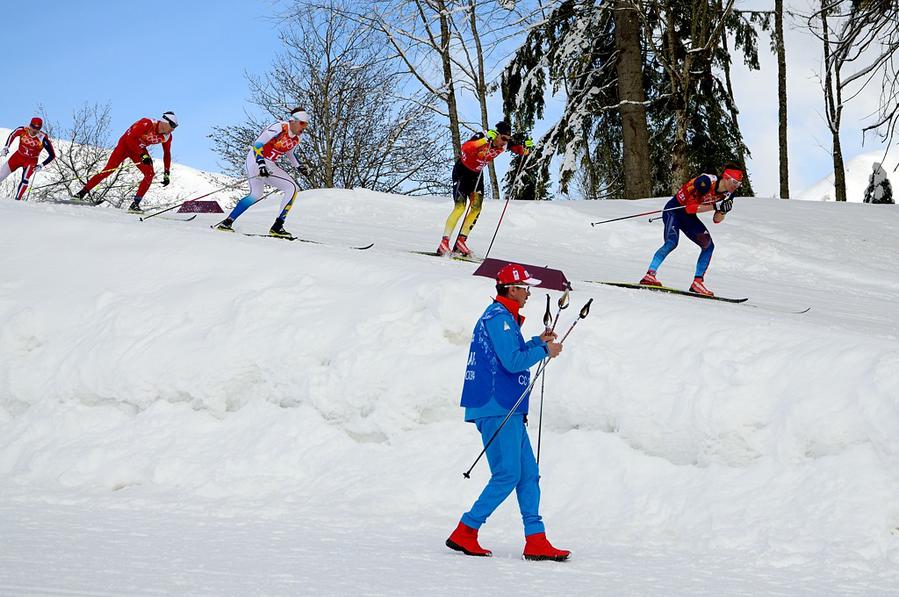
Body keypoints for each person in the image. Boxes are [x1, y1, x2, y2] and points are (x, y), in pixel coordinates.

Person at [446, 263, 570, 562]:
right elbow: (513, 362)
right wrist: (544, 351)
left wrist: (536, 342)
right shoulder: (499, 318)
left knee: (528, 474)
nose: (528, 294)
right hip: (496, 404)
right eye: (525, 288)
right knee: (508, 473)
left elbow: (509, 354)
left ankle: (536, 540)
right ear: (511, 289)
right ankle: (466, 530)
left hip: (506, 407)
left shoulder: (505, 319)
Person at [639, 164, 744, 296]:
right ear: (726, 177)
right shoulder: (706, 182)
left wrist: (723, 211)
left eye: (738, 184)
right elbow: (689, 207)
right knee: (671, 242)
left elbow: (716, 220)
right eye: (734, 182)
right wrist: (715, 205)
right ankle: (649, 275)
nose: (735, 186)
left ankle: (697, 282)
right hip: (674, 210)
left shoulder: (729, 195)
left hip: (688, 217)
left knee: (708, 246)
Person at [438, 121, 532, 257]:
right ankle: (444, 242)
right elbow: (466, 148)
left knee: (476, 208)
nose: (504, 143)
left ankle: (461, 241)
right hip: (462, 172)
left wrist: (527, 148)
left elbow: (521, 151)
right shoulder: (483, 136)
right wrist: (485, 140)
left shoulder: (505, 145)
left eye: (508, 140)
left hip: (477, 175)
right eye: (503, 138)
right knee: (460, 207)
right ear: (497, 134)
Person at [214, 108, 310, 238]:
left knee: (258, 194)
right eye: (302, 123)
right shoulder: (279, 127)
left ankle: (227, 223)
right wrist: (261, 164)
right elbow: (258, 144)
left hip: (269, 163)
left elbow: (289, 152)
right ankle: (277, 227)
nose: (304, 127)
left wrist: (299, 167)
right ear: (293, 121)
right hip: (256, 158)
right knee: (291, 188)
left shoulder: (298, 137)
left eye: (306, 124)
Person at [75, 112, 178, 212]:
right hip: (124, 146)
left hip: (138, 151)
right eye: (172, 125)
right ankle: (81, 193)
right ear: (165, 121)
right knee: (108, 170)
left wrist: (166, 172)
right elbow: (130, 139)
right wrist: (143, 155)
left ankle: (135, 204)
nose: (173, 129)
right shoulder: (147, 123)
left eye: (175, 127)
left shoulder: (167, 137)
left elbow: (167, 153)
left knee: (149, 174)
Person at [0, 117, 56, 200]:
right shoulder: (23, 130)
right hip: (18, 156)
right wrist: (6, 147)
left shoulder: (43, 138)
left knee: (25, 179)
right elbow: (12, 135)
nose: (34, 130)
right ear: (30, 125)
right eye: (33, 127)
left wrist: (41, 165)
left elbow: (52, 155)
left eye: (37, 128)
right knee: (1, 175)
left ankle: (17, 200)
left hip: (31, 161)